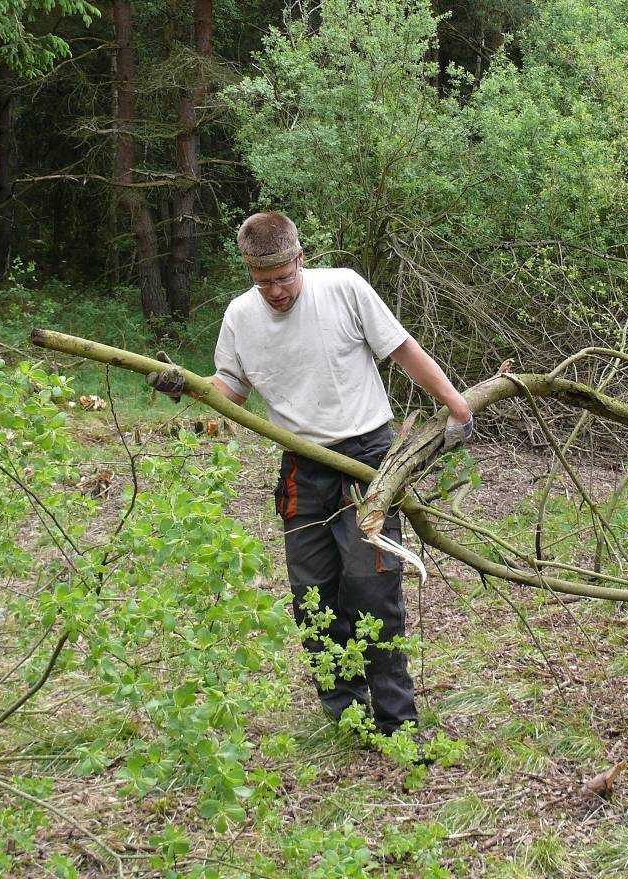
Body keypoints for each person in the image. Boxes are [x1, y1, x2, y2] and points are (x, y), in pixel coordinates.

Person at [150, 211, 472, 739]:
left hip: (366, 459)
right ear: (249, 272)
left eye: (284, 277)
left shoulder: (343, 288)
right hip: (301, 466)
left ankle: (396, 723)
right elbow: (229, 390)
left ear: (301, 259)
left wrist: (456, 406)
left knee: (371, 588)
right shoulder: (240, 317)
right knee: (313, 596)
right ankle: (346, 714)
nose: (275, 291)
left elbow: (401, 348)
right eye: (263, 281)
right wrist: (183, 385)